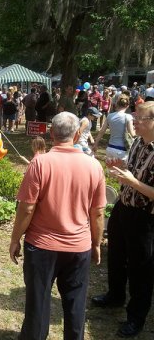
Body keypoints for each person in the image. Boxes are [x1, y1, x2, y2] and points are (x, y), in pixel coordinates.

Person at [9, 112, 106, 340]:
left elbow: (26, 208)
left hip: (41, 246)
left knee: (38, 304)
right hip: (78, 246)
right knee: (75, 304)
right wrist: (96, 243)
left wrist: (15, 239)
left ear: (51, 133)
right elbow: (98, 212)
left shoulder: (40, 163)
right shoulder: (94, 166)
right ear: (78, 133)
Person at [91, 102, 154, 337]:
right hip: (123, 207)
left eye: (140, 119)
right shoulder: (138, 142)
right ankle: (115, 296)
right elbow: (131, 167)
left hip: (144, 218)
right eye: (135, 117)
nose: (134, 122)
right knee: (116, 256)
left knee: (141, 269)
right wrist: (120, 167)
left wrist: (132, 181)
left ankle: (136, 317)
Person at [92, 95, 135, 161]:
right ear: (127, 106)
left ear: (117, 104)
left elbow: (101, 132)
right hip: (122, 150)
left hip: (110, 148)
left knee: (110, 171)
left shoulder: (110, 116)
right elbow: (132, 134)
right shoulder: (128, 117)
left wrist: (95, 144)